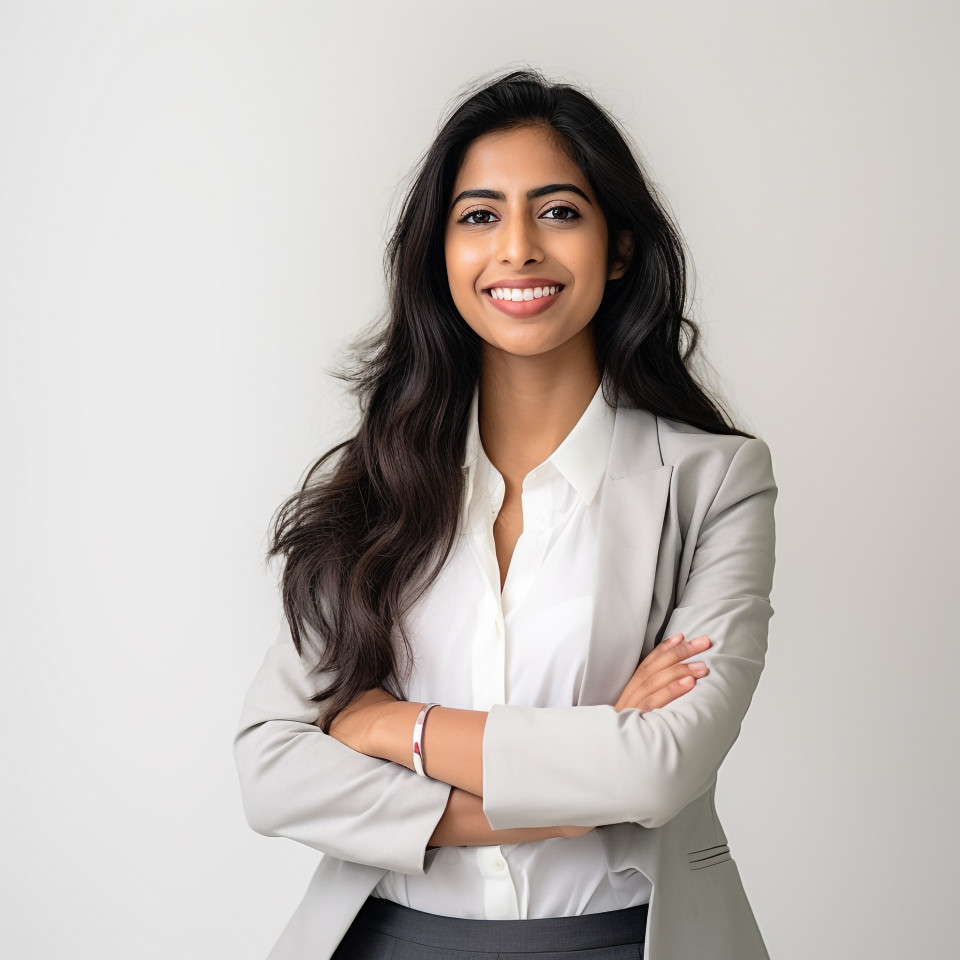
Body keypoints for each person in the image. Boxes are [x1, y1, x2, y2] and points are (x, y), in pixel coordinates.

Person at [234, 68, 778, 960]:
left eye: (559, 211)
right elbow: (271, 771)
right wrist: (551, 797)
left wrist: (388, 727)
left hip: (633, 939)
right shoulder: (375, 483)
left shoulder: (715, 481)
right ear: (438, 254)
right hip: (387, 938)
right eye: (479, 216)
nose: (517, 247)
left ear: (620, 247)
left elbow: (659, 767)